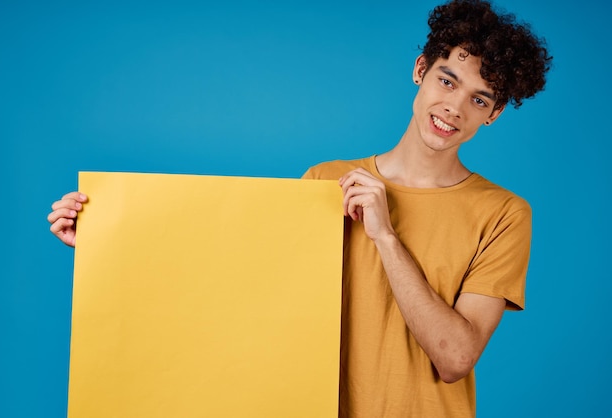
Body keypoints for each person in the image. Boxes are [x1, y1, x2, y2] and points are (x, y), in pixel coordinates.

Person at [48, 0, 552, 416]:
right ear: (420, 71)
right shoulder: (325, 182)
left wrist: (385, 236)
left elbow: (455, 358)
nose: (454, 109)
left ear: (494, 113)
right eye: (447, 80)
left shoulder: (503, 213)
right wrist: (107, 241)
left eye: (479, 100)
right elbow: (239, 294)